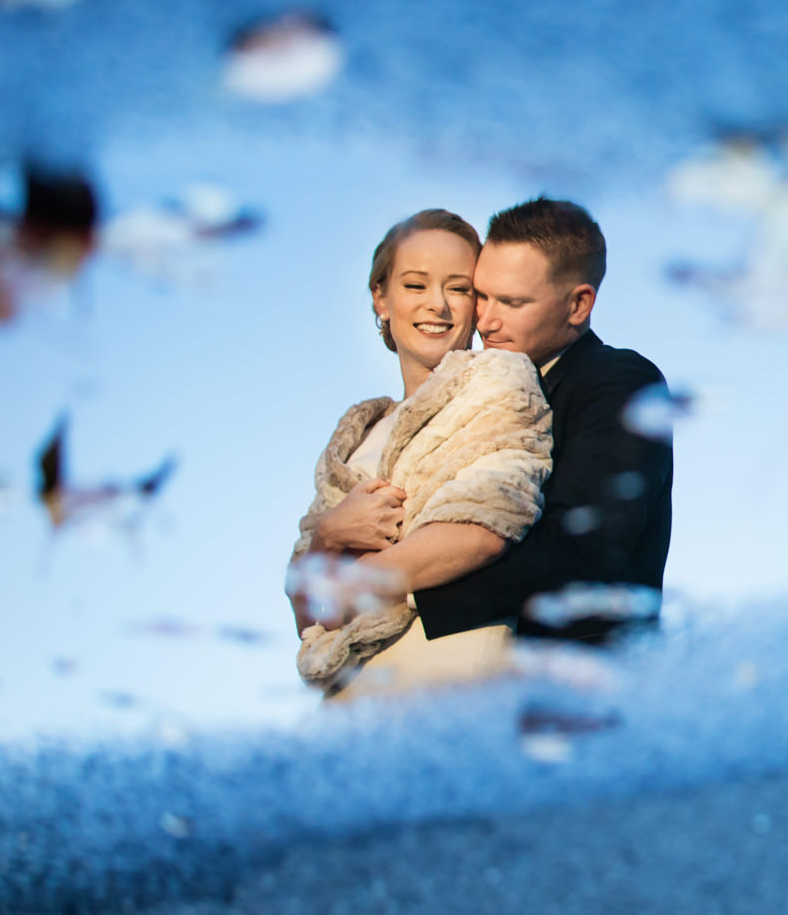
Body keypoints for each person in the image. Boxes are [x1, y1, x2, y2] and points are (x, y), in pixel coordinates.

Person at [288, 209, 552, 697]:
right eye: (415, 285)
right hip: (353, 707)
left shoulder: (499, 382)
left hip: (451, 685)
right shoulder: (354, 436)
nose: (439, 305)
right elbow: (309, 619)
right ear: (381, 298)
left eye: (458, 288)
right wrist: (329, 534)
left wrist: (343, 580)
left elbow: (486, 524)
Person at [411, 197, 674, 645]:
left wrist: (410, 594)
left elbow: (584, 550)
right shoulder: (483, 392)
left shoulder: (619, 382)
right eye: (482, 296)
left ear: (578, 305)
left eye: (512, 302)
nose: (487, 322)